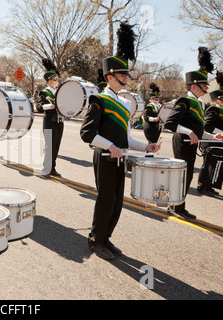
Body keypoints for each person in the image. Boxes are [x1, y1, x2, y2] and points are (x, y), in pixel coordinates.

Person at [80, 22, 161, 260]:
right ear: (110, 76)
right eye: (122, 73)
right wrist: (111, 147)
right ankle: (95, 240)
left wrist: (146, 146)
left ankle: (106, 237)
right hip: (105, 156)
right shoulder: (99, 100)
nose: (126, 77)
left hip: (118, 157)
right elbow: (86, 133)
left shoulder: (124, 104)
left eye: (126, 73)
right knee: (106, 200)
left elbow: (125, 138)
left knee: (117, 202)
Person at [164, 47, 223, 219]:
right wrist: (189, 132)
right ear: (194, 85)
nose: (206, 87)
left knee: (187, 176)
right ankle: (175, 207)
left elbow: (199, 129)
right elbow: (170, 123)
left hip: (190, 143)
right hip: (182, 142)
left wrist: (213, 137)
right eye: (204, 84)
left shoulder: (198, 103)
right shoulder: (185, 101)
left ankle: (179, 206)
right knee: (182, 176)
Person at [197, 70, 223, 196]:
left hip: (218, 141)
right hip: (210, 141)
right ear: (218, 99)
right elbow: (208, 126)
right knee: (207, 165)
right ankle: (203, 186)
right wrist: (221, 133)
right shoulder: (214, 109)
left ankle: (209, 186)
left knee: (215, 165)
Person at [36, 58, 63, 177]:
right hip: (49, 122)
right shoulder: (44, 92)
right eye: (55, 79)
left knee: (56, 146)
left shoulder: (60, 92)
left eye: (58, 79)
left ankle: (52, 168)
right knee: (49, 146)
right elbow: (39, 106)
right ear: (49, 80)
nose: (57, 81)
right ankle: (46, 169)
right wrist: (49, 106)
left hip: (59, 121)